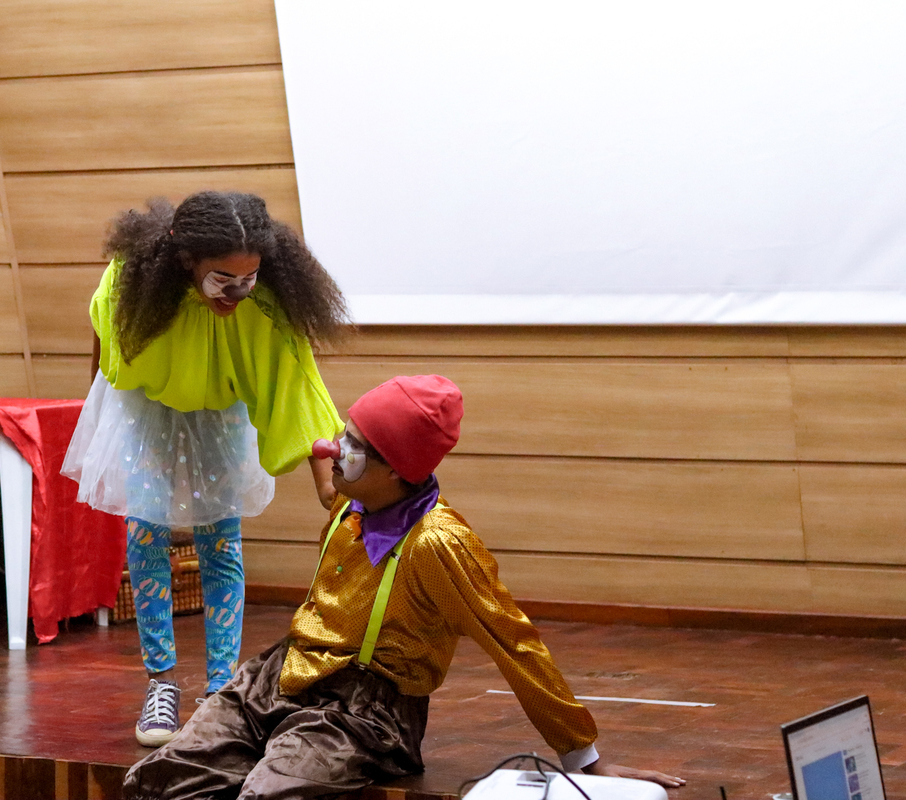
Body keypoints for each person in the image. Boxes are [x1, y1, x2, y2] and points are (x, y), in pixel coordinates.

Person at [123, 375, 686, 799]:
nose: (333, 449)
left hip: (366, 711)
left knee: (267, 795)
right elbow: (326, 482)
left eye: (352, 445)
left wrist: (585, 760)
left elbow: (513, 644)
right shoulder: (351, 504)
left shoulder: (438, 544)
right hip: (280, 675)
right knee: (156, 779)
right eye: (343, 434)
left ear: (395, 468)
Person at [61, 191, 348, 747]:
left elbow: (296, 385)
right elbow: (101, 325)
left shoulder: (262, 305)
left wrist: (325, 482)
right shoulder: (131, 281)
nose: (236, 295)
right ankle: (161, 683)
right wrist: (96, 404)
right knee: (146, 532)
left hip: (220, 411)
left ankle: (221, 690)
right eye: (223, 281)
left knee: (221, 540)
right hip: (146, 408)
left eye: (248, 280)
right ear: (186, 260)